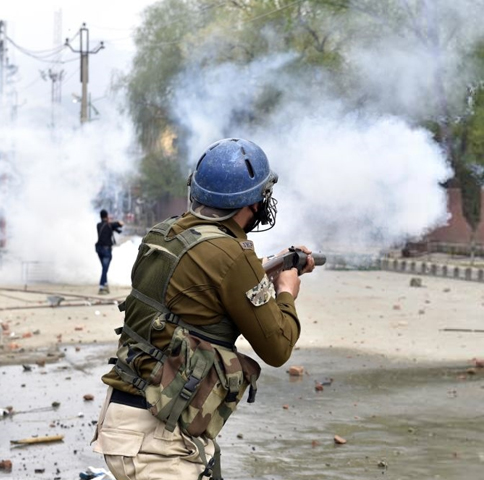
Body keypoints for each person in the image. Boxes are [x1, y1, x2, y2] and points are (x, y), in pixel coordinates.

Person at [92, 138, 317, 480]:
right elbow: (278, 347)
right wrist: (285, 291)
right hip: (160, 444)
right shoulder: (233, 256)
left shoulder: (162, 234)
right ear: (250, 203)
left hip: (121, 425)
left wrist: (260, 271)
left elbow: (197, 289)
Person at [95, 209, 123, 294]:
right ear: (107, 216)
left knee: (104, 268)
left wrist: (109, 222)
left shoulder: (98, 225)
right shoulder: (110, 225)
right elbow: (121, 223)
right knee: (104, 269)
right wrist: (110, 222)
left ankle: (106, 284)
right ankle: (101, 287)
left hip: (99, 249)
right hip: (106, 250)